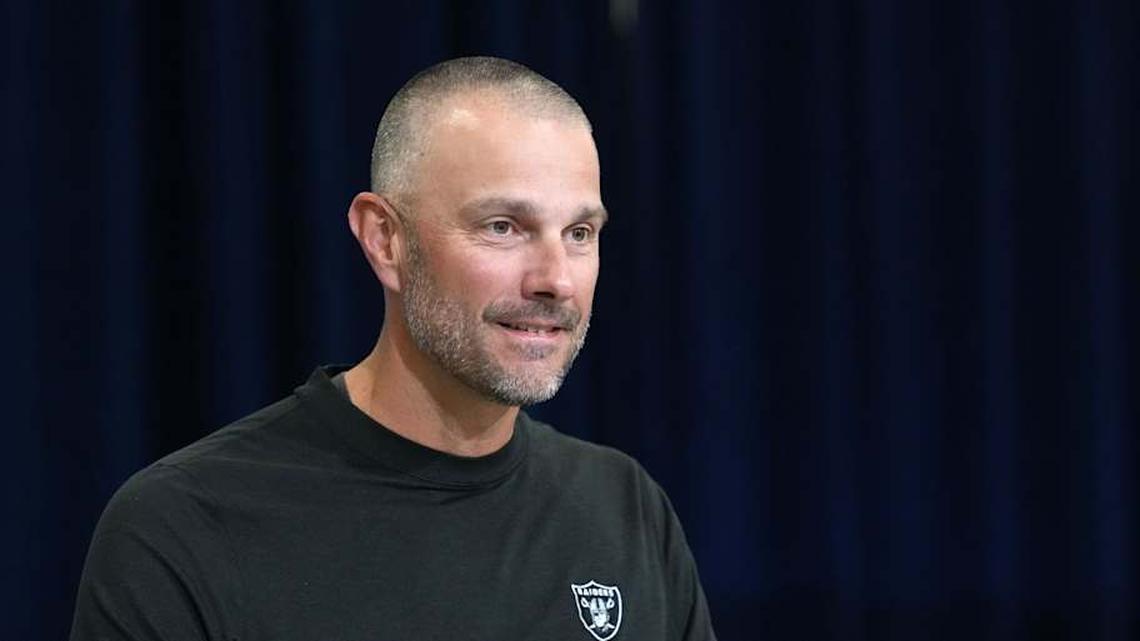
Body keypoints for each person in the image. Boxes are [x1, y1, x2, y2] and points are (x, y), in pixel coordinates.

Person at [71, 56, 716, 641]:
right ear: (385, 240)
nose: (556, 279)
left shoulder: (625, 509)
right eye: (503, 227)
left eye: (579, 232)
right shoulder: (180, 530)